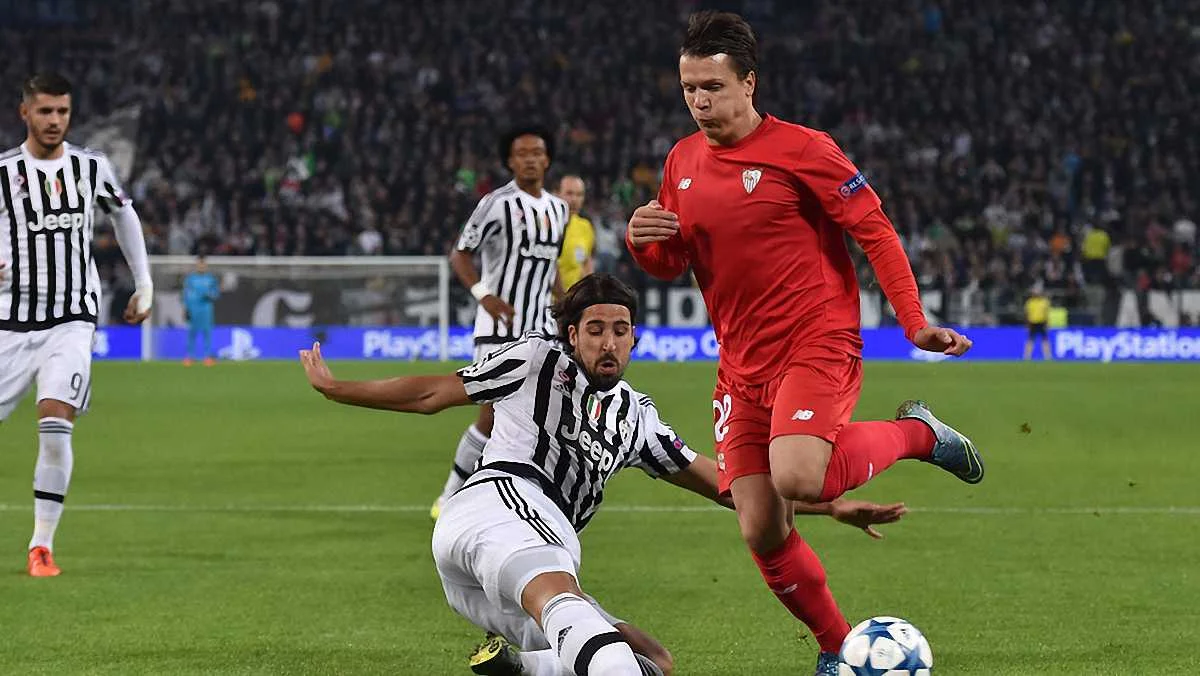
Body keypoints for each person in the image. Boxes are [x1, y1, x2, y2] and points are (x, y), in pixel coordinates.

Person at [299, 273, 907, 676]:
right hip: (502, 506)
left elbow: (726, 485)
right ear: (572, 334)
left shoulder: (637, 418)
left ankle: (516, 668)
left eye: (620, 331)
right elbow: (433, 393)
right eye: (595, 330)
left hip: (484, 578)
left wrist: (830, 505)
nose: (608, 343)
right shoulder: (535, 361)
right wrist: (337, 388)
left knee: (651, 661)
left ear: (635, 338)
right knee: (586, 629)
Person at [624, 13, 984, 674]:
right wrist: (642, 242)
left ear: (749, 83)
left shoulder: (804, 150)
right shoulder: (681, 161)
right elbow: (673, 261)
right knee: (761, 525)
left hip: (816, 342)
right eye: (689, 88)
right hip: (740, 364)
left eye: (713, 86)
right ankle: (838, 649)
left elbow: (874, 230)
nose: (699, 101)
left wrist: (913, 323)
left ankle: (918, 435)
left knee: (797, 476)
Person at [0, 72, 153, 577]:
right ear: (25, 112)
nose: (54, 120)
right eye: (45, 111)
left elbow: (124, 216)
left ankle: (41, 545)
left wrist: (144, 282)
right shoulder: (3, 173)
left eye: (62, 111)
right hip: (9, 322)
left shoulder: (91, 167)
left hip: (71, 319)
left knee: (55, 418)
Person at [433, 126, 569, 520]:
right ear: (510, 161)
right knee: (490, 416)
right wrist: (484, 296)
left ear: (547, 159)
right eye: (522, 153)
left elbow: (551, 266)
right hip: (499, 329)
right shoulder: (496, 204)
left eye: (537, 152)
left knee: (541, 415)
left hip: (542, 330)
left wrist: (566, 306)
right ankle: (449, 495)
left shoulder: (559, 210)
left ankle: (522, 492)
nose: (530, 159)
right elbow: (460, 253)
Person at [555, 175, 595, 290]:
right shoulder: (547, 225)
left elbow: (587, 262)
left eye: (579, 194)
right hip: (549, 298)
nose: (574, 200)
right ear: (557, 194)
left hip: (575, 297)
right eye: (569, 193)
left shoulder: (585, 226)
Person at [182, 255, 220, 366]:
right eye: (199, 264)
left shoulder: (211, 279)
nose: (201, 266)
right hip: (193, 309)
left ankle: (207, 357)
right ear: (196, 265)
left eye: (203, 264)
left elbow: (216, 293)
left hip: (206, 309)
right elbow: (185, 294)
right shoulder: (190, 279)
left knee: (207, 333)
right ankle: (190, 357)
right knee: (191, 333)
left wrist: (211, 295)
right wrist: (186, 308)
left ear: (206, 266)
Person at [1023, 283, 1052, 360]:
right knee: (1030, 340)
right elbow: (1027, 314)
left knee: (1045, 340)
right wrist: (1027, 324)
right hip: (1032, 323)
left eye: (1038, 292)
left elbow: (1046, 313)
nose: (1036, 293)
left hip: (1042, 323)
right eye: (1035, 292)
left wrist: (1047, 324)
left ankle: (1048, 356)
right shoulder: (1029, 302)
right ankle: (1027, 356)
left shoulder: (1045, 301)